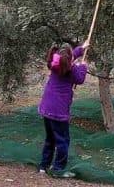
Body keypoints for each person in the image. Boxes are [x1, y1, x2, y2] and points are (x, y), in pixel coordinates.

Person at [38, 40, 89, 178]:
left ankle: (43, 166)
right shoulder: (72, 70)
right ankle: (58, 169)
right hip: (58, 112)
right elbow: (80, 79)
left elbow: (69, 57)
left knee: (50, 139)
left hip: (46, 108)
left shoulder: (55, 64)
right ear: (69, 60)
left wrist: (81, 48)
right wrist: (83, 66)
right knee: (63, 141)